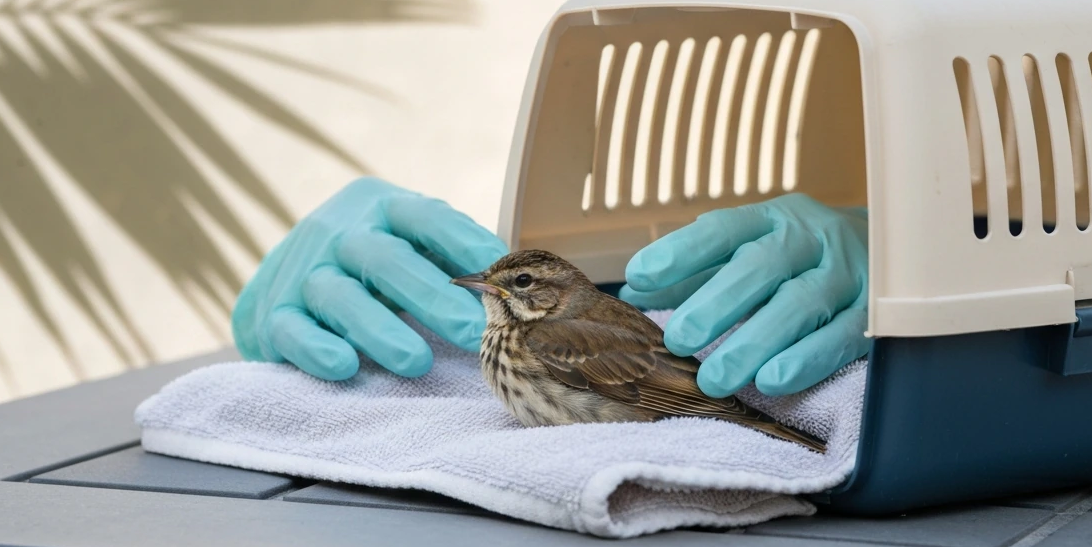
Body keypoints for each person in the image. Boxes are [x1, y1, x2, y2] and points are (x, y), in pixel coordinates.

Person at [232, 177, 869, 398]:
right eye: (496, 280)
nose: (487, 287)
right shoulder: (538, 319)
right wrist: (254, 320)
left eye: (519, 282)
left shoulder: (554, 336)